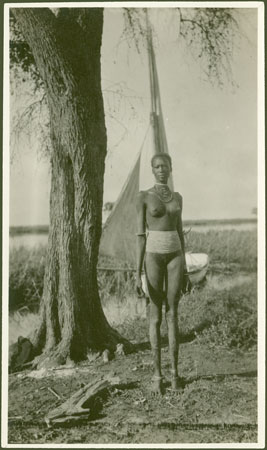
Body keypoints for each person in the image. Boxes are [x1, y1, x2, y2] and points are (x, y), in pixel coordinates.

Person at [135, 153, 186, 394]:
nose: (161, 169)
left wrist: (184, 266)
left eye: (165, 165)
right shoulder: (144, 197)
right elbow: (140, 236)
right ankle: (157, 376)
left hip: (175, 255)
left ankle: (175, 375)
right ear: (152, 170)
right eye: (157, 166)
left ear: (171, 168)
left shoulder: (178, 198)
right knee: (154, 314)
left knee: (173, 313)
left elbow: (179, 231)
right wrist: (136, 273)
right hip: (153, 255)